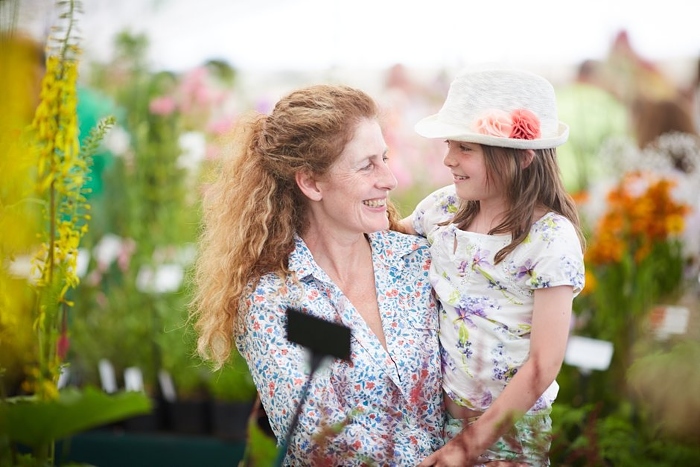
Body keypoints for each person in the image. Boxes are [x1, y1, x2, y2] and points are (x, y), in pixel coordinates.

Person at [190, 84, 444, 466]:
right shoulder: (275, 301)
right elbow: (319, 437)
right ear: (310, 182)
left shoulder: (417, 261)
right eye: (367, 165)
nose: (389, 180)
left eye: (385, 158)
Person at [399, 67, 586, 466]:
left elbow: (543, 364)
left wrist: (467, 448)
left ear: (521, 157)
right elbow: (388, 241)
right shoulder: (443, 209)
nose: (449, 159)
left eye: (466, 149)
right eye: (450, 145)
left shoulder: (551, 238)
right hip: (435, 422)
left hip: (511, 435)